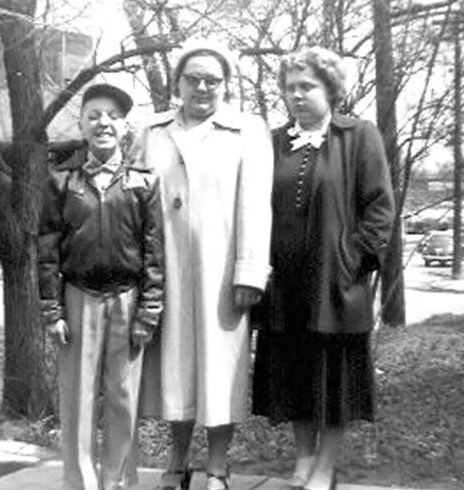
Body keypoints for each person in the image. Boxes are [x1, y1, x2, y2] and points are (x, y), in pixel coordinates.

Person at [251, 46, 395, 490]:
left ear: (331, 89)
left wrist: (352, 261)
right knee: (293, 371)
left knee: (331, 377)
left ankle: (326, 465)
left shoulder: (359, 135)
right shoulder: (272, 142)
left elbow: (380, 208)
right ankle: (303, 457)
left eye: (307, 87)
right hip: (284, 282)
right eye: (290, 88)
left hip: (335, 283)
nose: (296, 95)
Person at [132, 40, 273, 490]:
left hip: (220, 268)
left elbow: (256, 204)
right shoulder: (152, 131)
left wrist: (249, 270)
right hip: (165, 267)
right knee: (173, 369)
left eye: (213, 79)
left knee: (218, 369)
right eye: (193, 78)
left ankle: (217, 466)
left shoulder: (246, 131)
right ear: (177, 83)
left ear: (226, 85)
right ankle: (176, 462)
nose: (202, 87)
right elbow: (132, 203)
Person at [38, 83, 165, 490]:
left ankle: (117, 482)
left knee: (122, 398)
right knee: (77, 398)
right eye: (94, 114)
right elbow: (47, 251)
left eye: (112, 115)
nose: (103, 122)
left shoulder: (144, 183)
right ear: (82, 123)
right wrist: (51, 310)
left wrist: (149, 310)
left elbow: (154, 253)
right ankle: (80, 483)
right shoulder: (61, 182)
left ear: (125, 125)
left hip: (127, 302)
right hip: (78, 299)